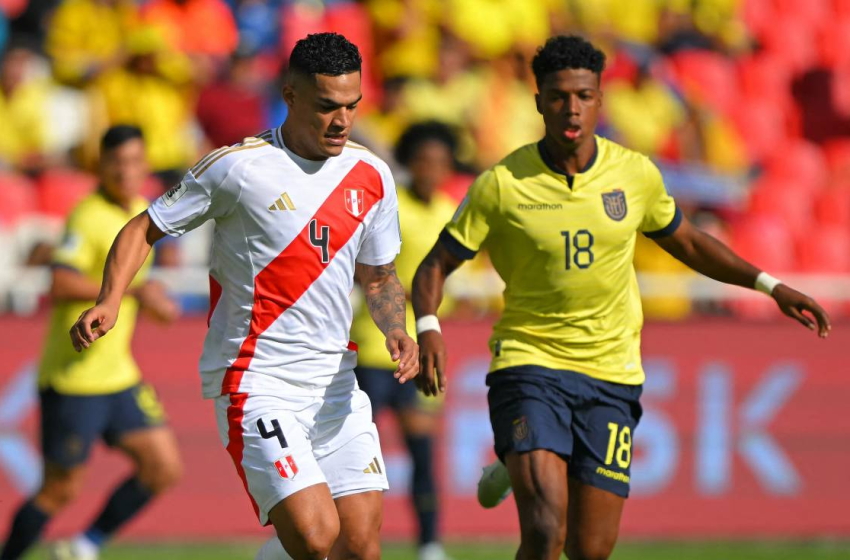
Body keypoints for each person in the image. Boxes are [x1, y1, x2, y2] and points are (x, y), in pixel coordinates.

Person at [411, 35, 831, 560]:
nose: (572, 108)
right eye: (560, 96)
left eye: (584, 96)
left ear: (600, 99)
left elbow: (690, 242)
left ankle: (519, 456)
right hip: (530, 362)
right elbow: (436, 263)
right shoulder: (501, 184)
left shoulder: (633, 174)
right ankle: (528, 447)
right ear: (538, 100)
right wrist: (428, 327)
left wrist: (770, 286)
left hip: (611, 375)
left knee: (591, 550)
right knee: (545, 533)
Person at [69, 33, 418, 560]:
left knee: (360, 546)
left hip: (334, 383)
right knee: (315, 535)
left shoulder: (370, 174)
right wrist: (110, 298)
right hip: (258, 379)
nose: (342, 121)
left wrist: (397, 325)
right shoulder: (238, 168)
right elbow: (144, 228)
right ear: (291, 95)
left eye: (352, 105)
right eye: (327, 107)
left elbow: (380, 275)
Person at [1, 125, 182, 560]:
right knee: (59, 491)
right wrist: (135, 294)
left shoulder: (144, 213)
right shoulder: (87, 216)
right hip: (73, 380)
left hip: (118, 377)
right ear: (100, 166)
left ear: (146, 166)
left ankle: (87, 543)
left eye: (134, 162)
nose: (126, 171)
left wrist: (153, 302)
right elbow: (61, 282)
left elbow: (134, 283)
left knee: (163, 468)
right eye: (116, 163)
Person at [350, 122, 460, 560]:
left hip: (424, 350)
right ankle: (327, 533)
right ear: (409, 165)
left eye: (440, 162)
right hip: (374, 345)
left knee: (422, 450)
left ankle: (429, 545)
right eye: (423, 161)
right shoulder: (388, 208)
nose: (432, 169)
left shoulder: (452, 212)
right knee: (352, 452)